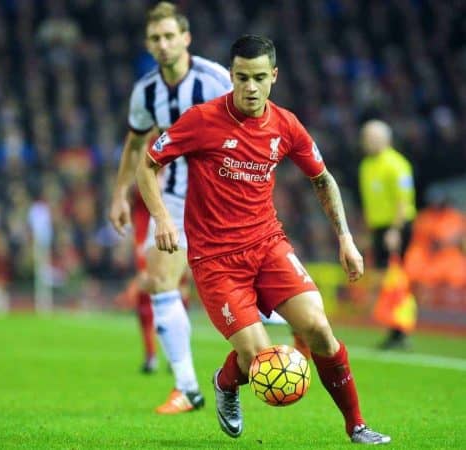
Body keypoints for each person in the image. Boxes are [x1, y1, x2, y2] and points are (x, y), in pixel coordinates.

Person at [137, 34, 390, 444]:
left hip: (268, 246)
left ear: (273, 76)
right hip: (216, 260)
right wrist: (162, 216)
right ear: (231, 76)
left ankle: (356, 426)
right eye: (241, 77)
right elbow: (148, 166)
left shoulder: (286, 124)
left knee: (319, 329)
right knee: (259, 359)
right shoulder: (201, 120)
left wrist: (345, 237)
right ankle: (225, 382)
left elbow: (322, 179)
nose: (249, 87)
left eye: (258, 77)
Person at [109, 1, 232, 414]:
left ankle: (295, 329)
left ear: (186, 38)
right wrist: (120, 194)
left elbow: (255, 129)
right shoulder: (146, 91)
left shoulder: (216, 81)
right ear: (148, 43)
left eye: (169, 36)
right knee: (161, 280)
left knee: (243, 288)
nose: (162, 44)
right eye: (155, 38)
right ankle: (187, 387)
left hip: (226, 199)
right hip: (176, 198)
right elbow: (136, 142)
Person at [359, 120, 417, 349]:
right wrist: (368, 230)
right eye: (365, 138)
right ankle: (394, 330)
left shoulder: (397, 164)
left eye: (371, 138)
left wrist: (395, 230)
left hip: (397, 227)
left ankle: (402, 330)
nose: (367, 142)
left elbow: (404, 200)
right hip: (379, 228)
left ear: (386, 139)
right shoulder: (366, 166)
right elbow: (370, 202)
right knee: (386, 277)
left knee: (397, 277)